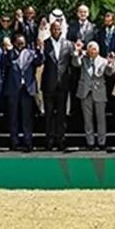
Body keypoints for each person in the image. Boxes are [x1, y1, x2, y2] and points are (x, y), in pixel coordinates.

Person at [73, 40, 115, 151]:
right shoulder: (83, 59)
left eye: (94, 49)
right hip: (85, 92)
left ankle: (102, 142)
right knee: (88, 119)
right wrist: (77, 52)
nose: (92, 51)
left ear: (98, 50)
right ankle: (90, 142)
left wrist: (110, 64)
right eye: (90, 49)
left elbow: (109, 73)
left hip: (99, 91)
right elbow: (75, 63)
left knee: (101, 119)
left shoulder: (103, 60)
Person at [40, 21, 73, 151]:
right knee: (48, 114)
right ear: (50, 30)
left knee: (61, 114)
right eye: (54, 29)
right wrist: (39, 51)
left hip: (63, 84)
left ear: (61, 30)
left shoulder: (68, 44)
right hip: (48, 84)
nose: (56, 31)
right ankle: (49, 140)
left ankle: (61, 140)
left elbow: (73, 62)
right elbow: (40, 61)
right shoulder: (45, 43)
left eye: (58, 29)